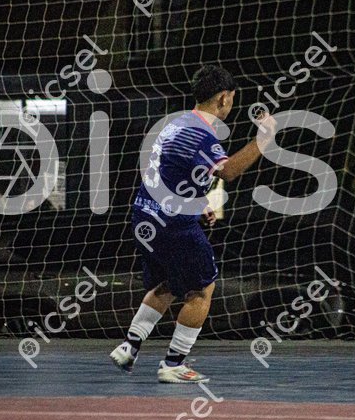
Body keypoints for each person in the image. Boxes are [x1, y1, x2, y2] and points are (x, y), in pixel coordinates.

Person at [110, 64, 276, 383]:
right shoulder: (202, 134)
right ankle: (173, 365)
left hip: (145, 214)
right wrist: (264, 139)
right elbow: (228, 171)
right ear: (224, 98)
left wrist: (198, 204)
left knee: (169, 283)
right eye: (232, 99)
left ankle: (129, 347)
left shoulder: (176, 123)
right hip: (173, 225)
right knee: (202, 289)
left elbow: (168, 172)